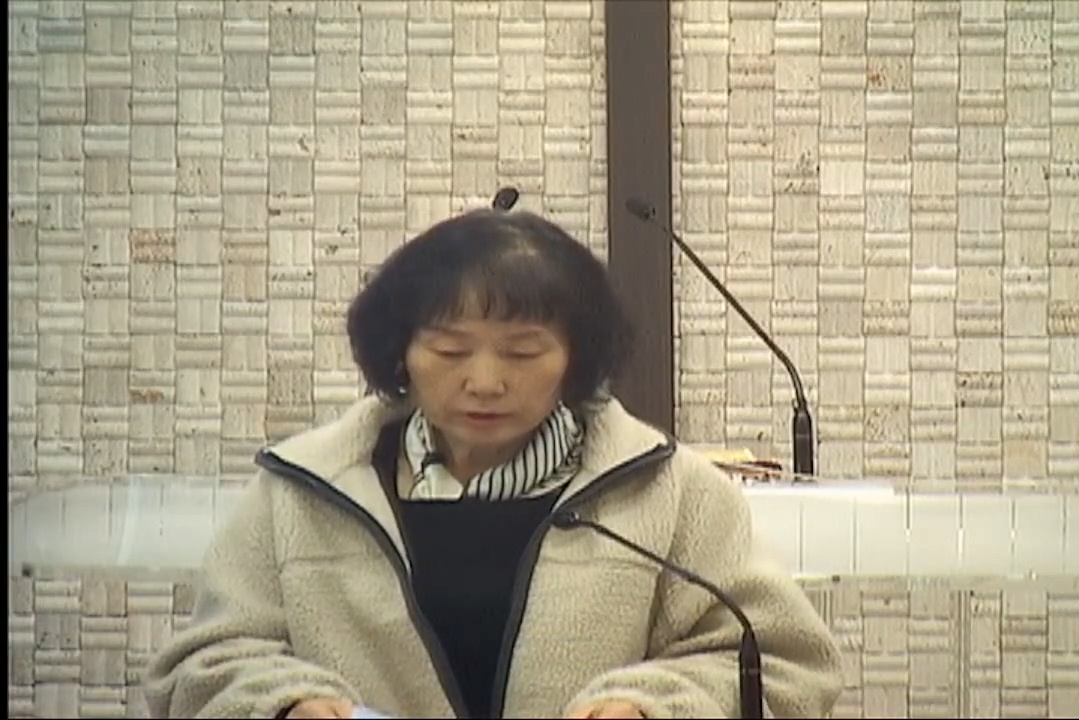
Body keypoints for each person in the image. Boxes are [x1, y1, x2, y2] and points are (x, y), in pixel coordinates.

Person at [144, 209, 844, 719]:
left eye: (522, 352)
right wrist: (285, 704)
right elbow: (202, 666)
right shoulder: (304, 490)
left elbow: (784, 664)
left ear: (576, 360)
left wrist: (652, 707)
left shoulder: (672, 492)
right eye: (450, 351)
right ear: (399, 353)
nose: (484, 381)